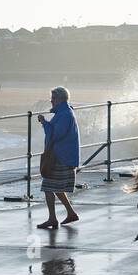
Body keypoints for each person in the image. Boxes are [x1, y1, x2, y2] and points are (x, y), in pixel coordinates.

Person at [36, 86, 80, 229]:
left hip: (62, 156)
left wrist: (44, 123)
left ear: (60, 99)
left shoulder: (65, 114)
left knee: (48, 186)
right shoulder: (65, 112)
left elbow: (56, 135)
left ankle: (52, 218)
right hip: (64, 155)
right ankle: (70, 212)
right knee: (56, 186)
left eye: (53, 98)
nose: (51, 101)